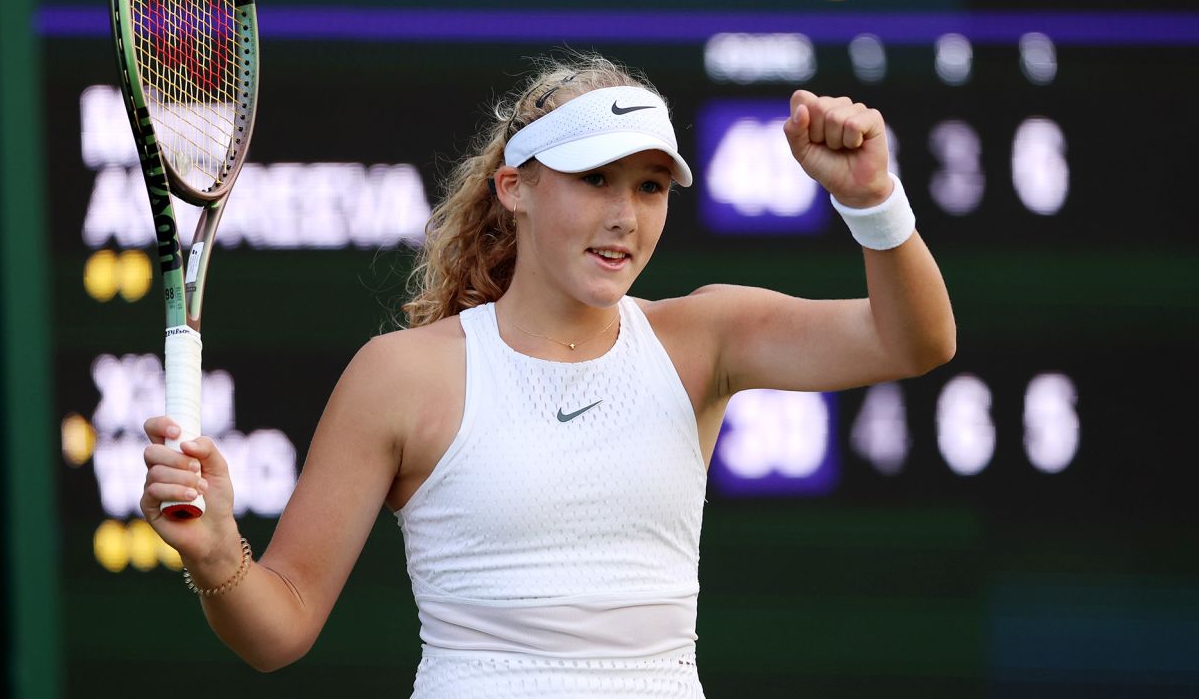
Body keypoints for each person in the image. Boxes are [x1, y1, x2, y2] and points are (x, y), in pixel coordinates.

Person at [141, 52, 955, 697]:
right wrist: (218, 556)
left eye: (648, 187)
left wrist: (872, 197)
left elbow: (914, 341)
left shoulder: (704, 339)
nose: (623, 217)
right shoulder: (400, 376)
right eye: (594, 179)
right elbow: (279, 632)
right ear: (514, 188)